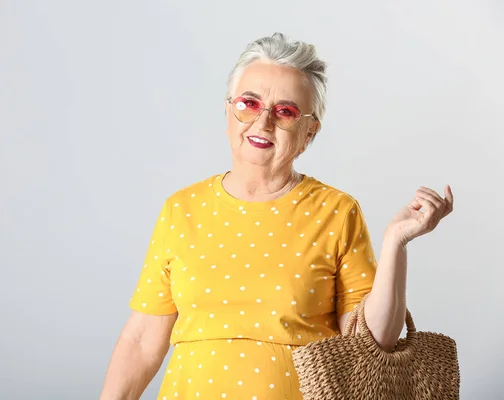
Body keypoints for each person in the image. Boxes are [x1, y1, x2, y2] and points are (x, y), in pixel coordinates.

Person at [99, 32, 454, 400]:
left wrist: (395, 243)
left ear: (309, 131)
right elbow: (141, 341)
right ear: (228, 110)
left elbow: (370, 343)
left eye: (285, 111)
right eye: (249, 103)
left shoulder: (336, 211)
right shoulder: (181, 209)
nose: (263, 121)